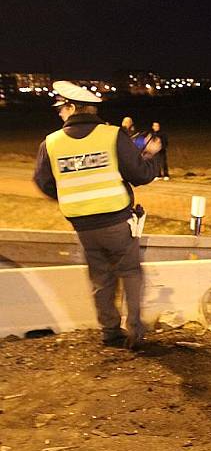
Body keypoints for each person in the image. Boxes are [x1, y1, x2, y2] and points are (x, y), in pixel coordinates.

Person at [33, 81, 162, 349]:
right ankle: (135, 329)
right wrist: (151, 156)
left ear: (71, 107)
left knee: (100, 278)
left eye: (60, 108)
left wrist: (70, 193)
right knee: (130, 272)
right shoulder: (112, 135)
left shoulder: (51, 143)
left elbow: (44, 182)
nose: (59, 113)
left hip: (83, 226)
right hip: (116, 221)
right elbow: (140, 175)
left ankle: (110, 333)